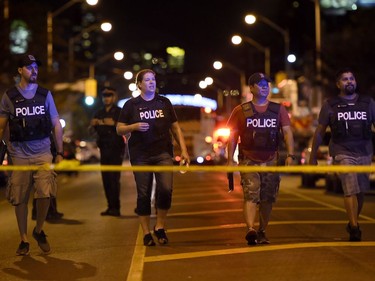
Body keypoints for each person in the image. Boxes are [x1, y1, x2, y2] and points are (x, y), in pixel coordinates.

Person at [116, 69, 189, 246]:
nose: (151, 82)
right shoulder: (131, 105)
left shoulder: (164, 102)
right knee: (144, 194)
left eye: (153, 79)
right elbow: (119, 128)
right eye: (147, 80)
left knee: (165, 189)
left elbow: (175, 128)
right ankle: (146, 232)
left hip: (163, 153)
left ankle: (160, 226)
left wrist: (184, 150)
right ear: (139, 84)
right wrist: (133, 126)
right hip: (140, 155)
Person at [0, 54, 64, 255]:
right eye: (29, 67)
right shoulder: (9, 96)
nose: (34, 70)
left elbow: (56, 124)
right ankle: (23, 239)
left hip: (43, 151)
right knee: (19, 197)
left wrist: (60, 152)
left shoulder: (45, 94)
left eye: (36, 67)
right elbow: (1, 126)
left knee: (45, 193)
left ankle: (38, 230)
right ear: (20, 70)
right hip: (18, 152)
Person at [226, 72, 295, 245]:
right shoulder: (240, 110)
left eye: (267, 84)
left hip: (271, 157)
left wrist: (290, 155)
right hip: (248, 158)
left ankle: (262, 230)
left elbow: (287, 132)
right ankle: (250, 229)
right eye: (260, 84)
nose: (265, 87)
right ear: (251, 88)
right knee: (251, 193)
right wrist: (229, 160)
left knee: (268, 197)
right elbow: (233, 137)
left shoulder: (278, 109)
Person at [309, 67, 375, 241]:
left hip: (365, 151)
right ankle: (354, 227)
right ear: (338, 84)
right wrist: (313, 155)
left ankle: (353, 221)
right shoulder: (330, 104)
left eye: (352, 78)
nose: (349, 81)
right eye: (345, 79)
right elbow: (320, 131)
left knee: (360, 191)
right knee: (350, 188)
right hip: (342, 150)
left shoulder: (368, 103)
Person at [89, 87, 126, 216]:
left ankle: (116, 208)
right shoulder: (99, 112)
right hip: (104, 148)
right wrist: (94, 124)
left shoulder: (119, 112)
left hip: (116, 148)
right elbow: (92, 130)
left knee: (114, 178)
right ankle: (110, 207)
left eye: (109, 95)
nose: (106, 98)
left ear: (114, 97)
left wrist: (111, 123)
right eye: (104, 96)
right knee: (106, 179)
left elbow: (123, 127)